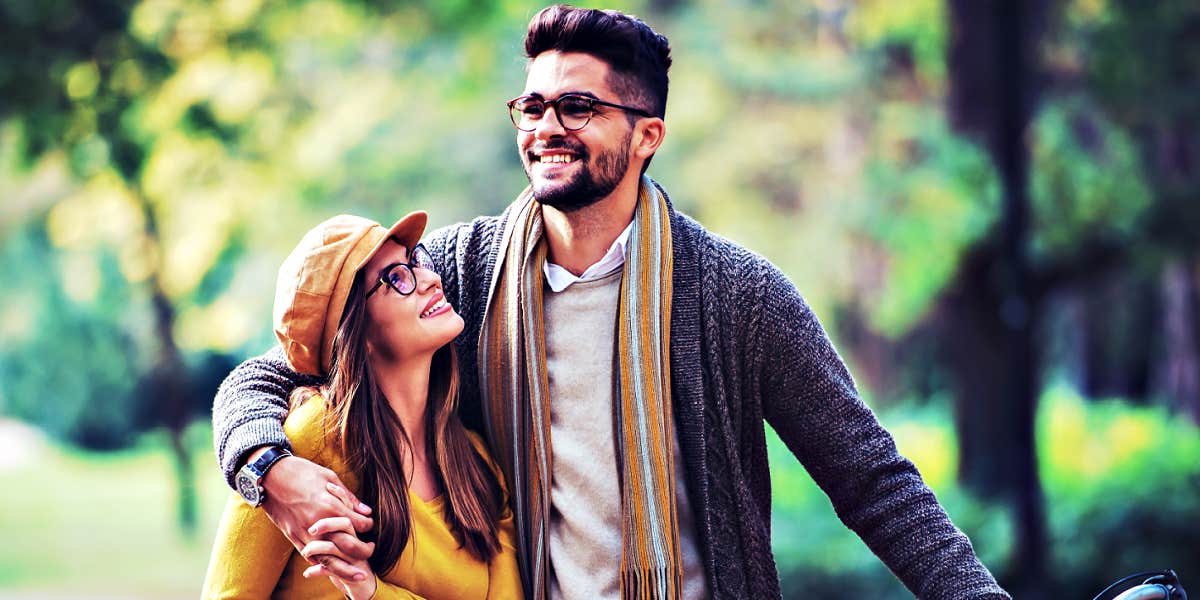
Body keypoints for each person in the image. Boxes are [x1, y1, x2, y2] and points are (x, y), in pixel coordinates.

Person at [212, 5, 1010, 599]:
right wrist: (268, 468)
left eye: (579, 108)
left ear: (647, 135)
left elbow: (873, 479)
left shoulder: (738, 297)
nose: (546, 128)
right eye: (533, 106)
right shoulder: (463, 273)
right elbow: (275, 374)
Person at [202, 212, 522, 599]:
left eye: (416, 261)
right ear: (355, 333)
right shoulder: (304, 447)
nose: (432, 279)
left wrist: (370, 591)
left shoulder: (477, 464)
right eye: (397, 278)